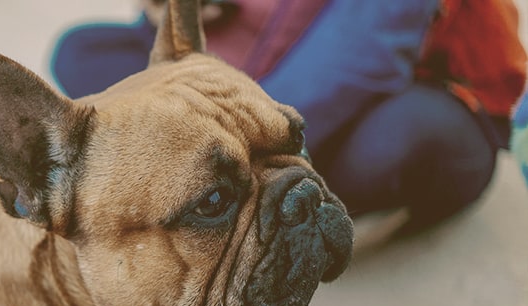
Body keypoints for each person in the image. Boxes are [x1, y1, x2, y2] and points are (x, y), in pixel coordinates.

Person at [51, 0, 527, 227]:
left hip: (409, 100)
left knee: (400, 139)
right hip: (258, 84)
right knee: (81, 51)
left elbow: (367, 59)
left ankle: (247, 174)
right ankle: (239, 165)